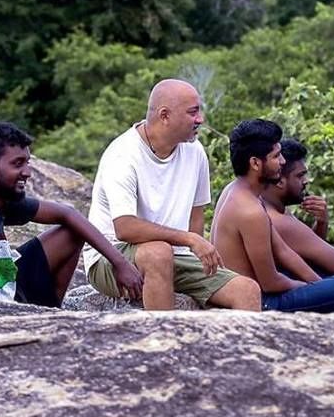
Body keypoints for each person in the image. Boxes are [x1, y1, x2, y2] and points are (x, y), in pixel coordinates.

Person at [85, 80, 262, 311]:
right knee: (158, 253)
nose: (200, 119)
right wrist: (189, 239)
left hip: (174, 257)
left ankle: (243, 347)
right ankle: (165, 343)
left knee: (247, 290)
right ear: (165, 115)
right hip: (113, 258)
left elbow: (195, 216)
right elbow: (125, 228)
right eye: (193, 112)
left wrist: (197, 258)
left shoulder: (195, 151)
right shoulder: (122, 155)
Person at [0, 121, 144, 306]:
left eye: (27, 162)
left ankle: (51, 311)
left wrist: (120, 263)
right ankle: (43, 314)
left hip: (2, 277)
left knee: (72, 232)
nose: (28, 172)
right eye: (17, 164)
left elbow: (68, 214)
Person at [212, 118, 334, 313]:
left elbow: (283, 252)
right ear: (255, 163)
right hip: (262, 302)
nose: (281, 161)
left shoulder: (239, 191)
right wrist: (311, 289)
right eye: (276, 156)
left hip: (266, 291)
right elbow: (270, 282)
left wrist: (319, 286)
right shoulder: (250, 211)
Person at [262, 136, 334, 278]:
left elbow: (310, 255)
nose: (306, 181)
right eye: (300, 176)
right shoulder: (278, 220)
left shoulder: (272, 206)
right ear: (279, 180)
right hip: (271, 298)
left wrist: (322, 222)